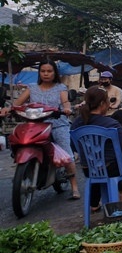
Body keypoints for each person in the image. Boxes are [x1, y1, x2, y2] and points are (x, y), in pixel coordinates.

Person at [0, 60, 81, 200]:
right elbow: (17, 103)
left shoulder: (61, 87)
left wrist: (67, 108)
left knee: (67, 155)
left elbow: (65, 102)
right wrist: (8, 109)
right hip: (35, 124)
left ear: (55, 73)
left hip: (57, 124)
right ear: (39, 73)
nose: (46, 74)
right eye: (43, 71)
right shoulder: (31, 87)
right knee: (17, 138)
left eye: (49, 71)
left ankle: (74, 187)